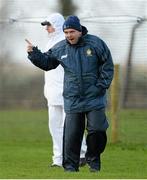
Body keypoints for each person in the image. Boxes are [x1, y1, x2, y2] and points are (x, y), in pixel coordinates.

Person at [26, 15, 114, 172]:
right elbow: (47, 63)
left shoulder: (96, 43)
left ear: (80, 31)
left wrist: (101, 86)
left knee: (98, 130)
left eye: (72, 32)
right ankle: (70, 168)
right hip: (73, 99)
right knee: (72, 136)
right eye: (66, 32)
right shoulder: (61, 48)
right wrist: (34, 53)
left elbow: (107, 65)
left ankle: (93, 160)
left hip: (95, 97)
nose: (69, 35)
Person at [39, 13, 87, 167]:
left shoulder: (65, 44)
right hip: (52, 94)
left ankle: (81, 154)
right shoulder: (49, 44)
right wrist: (33, 53)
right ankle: (58, 159)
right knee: (55, 127)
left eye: (49, 25)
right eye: (46, 25)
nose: (47, 28)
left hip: (68, 93)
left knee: (73, 126)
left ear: (58, 25)